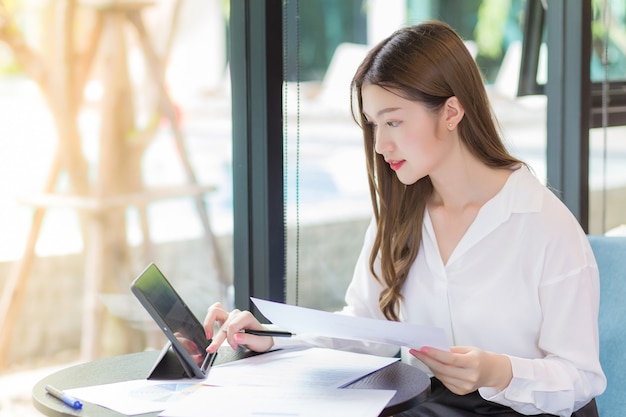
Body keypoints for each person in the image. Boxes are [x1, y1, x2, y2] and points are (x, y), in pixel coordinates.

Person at [203, 21, 606, 416]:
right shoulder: (399, 216)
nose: (380, 144)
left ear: (451, 111)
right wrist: (272, 338)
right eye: (374, 125)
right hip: (430, 404)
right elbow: (365, 328)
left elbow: (580, 379)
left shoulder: (543, 225)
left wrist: (498, 371)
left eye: (394, 121)